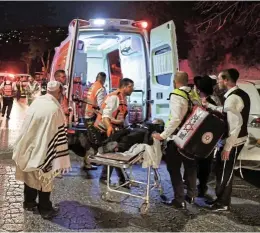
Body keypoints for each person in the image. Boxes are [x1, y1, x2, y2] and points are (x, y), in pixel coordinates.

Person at [12, 81, 71, 220]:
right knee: (45, 175)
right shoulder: (55, 109)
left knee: (30, 174)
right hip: (44, 148)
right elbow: (58, 135)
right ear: (59, 92)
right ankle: (45, 208)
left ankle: (29, 202)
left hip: (28, 146)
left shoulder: (37, 102)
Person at [202, 68, 250, 211]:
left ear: (226, 80)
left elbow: (235, 125)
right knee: (223, 170)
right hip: (236, 140)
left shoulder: (233, 97)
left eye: (219, 79)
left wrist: (228, 147)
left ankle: (223, 203)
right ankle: (221, 201)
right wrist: (209, 106)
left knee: (224, 172)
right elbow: (225, 110)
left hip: (234, 141)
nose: (217, 82)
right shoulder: (238, 94)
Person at [153, 71, 197, 209]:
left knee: (174, 168)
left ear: (175, 82)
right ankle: (191, 196)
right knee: (190, 167)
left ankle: (179, 200)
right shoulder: (193, 94)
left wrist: (163, 135)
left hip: (177, 138)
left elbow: (176, 118)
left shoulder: (177, 94)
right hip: (191, 137)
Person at [94, 78, 134, 185]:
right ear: (124, 87)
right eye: (131, 87)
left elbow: (121, 116)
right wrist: (109, 127)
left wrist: (126, 128)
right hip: (106, 129)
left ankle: (121, 179)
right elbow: (106, 115)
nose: (133, 89)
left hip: (114, 129)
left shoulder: (122, 98)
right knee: (112, 154)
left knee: (114, 153)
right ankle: (113, 178)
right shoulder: (114, 97)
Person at [84, 72, 107, 170]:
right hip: (93, 116)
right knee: (95, 141)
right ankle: (96, 160)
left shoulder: (92, 86)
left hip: (88, 114)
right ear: (103, 79)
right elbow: (101, 104)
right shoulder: (100, 88)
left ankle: (87, 163)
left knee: (91, 140)